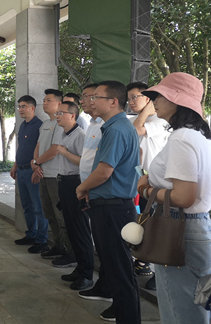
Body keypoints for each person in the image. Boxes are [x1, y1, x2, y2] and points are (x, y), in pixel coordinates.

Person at [137, 72, 211, 323]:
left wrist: (145, 190)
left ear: (179, 100)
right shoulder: (197, 136)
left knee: (179, 312)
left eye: (160, 95)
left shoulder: (181, 138)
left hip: (179, 230)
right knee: (195, 309)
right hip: (195, 227)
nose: (154, 101)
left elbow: (183, 197)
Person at [76, 81, 140, 323]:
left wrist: (82, 187)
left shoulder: (116, 129)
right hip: (110, 205)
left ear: (113, 101)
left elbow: (104, 172)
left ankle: (128, 317)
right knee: (115, 267)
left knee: (119, 269)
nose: (92, 101)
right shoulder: (116, 126)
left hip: (113, 208)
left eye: (97, 97)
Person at [127, 82, 169, 282]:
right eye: (128, 98)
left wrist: (146, 112)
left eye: (135, 97)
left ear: (148, 99)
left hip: (157, 183)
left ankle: (151, 267)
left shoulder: (158, 121)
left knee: (155, 224)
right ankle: (142, 260)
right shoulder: (138, 120)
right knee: (143, 221)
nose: (131, 101)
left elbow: (136, 130)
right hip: (141, 181)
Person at [33, 89, 74, 264]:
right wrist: (35, 164)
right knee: (49, 213)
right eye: (44, 100)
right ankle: (59, 245)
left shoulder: (60, 124)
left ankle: (71, 251)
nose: (44, 103)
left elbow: (55, 149)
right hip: (43, 174)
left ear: (59, 104)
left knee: (61, 216)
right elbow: (38, 145)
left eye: (48, 100)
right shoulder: (45, 124)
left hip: (55, 176)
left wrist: (37, 161)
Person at [54, 101, 91, 291]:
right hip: (64, 182)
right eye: (57, 113)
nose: (57, 116)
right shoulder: (64, 133)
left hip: (75, 182)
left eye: (61, 113)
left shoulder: (80, 135)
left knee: (80, 229)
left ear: (73, 115)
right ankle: (79, 268)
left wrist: (65, 153)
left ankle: (87, 274)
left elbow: (85, 163)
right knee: (71, 228)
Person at [10, 96, 48, 252]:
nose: (21, 109)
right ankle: (31, 234)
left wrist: (37, 169)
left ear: (33, 107)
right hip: (21, 170)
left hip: (32, 171)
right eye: (19, 106)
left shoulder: (40, 126)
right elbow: (21, 148)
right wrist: (15, 165)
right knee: (26, 206)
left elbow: (42, 150)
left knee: (38, 207)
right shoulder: (23, 125)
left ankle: (42, 240)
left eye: (24, 106)